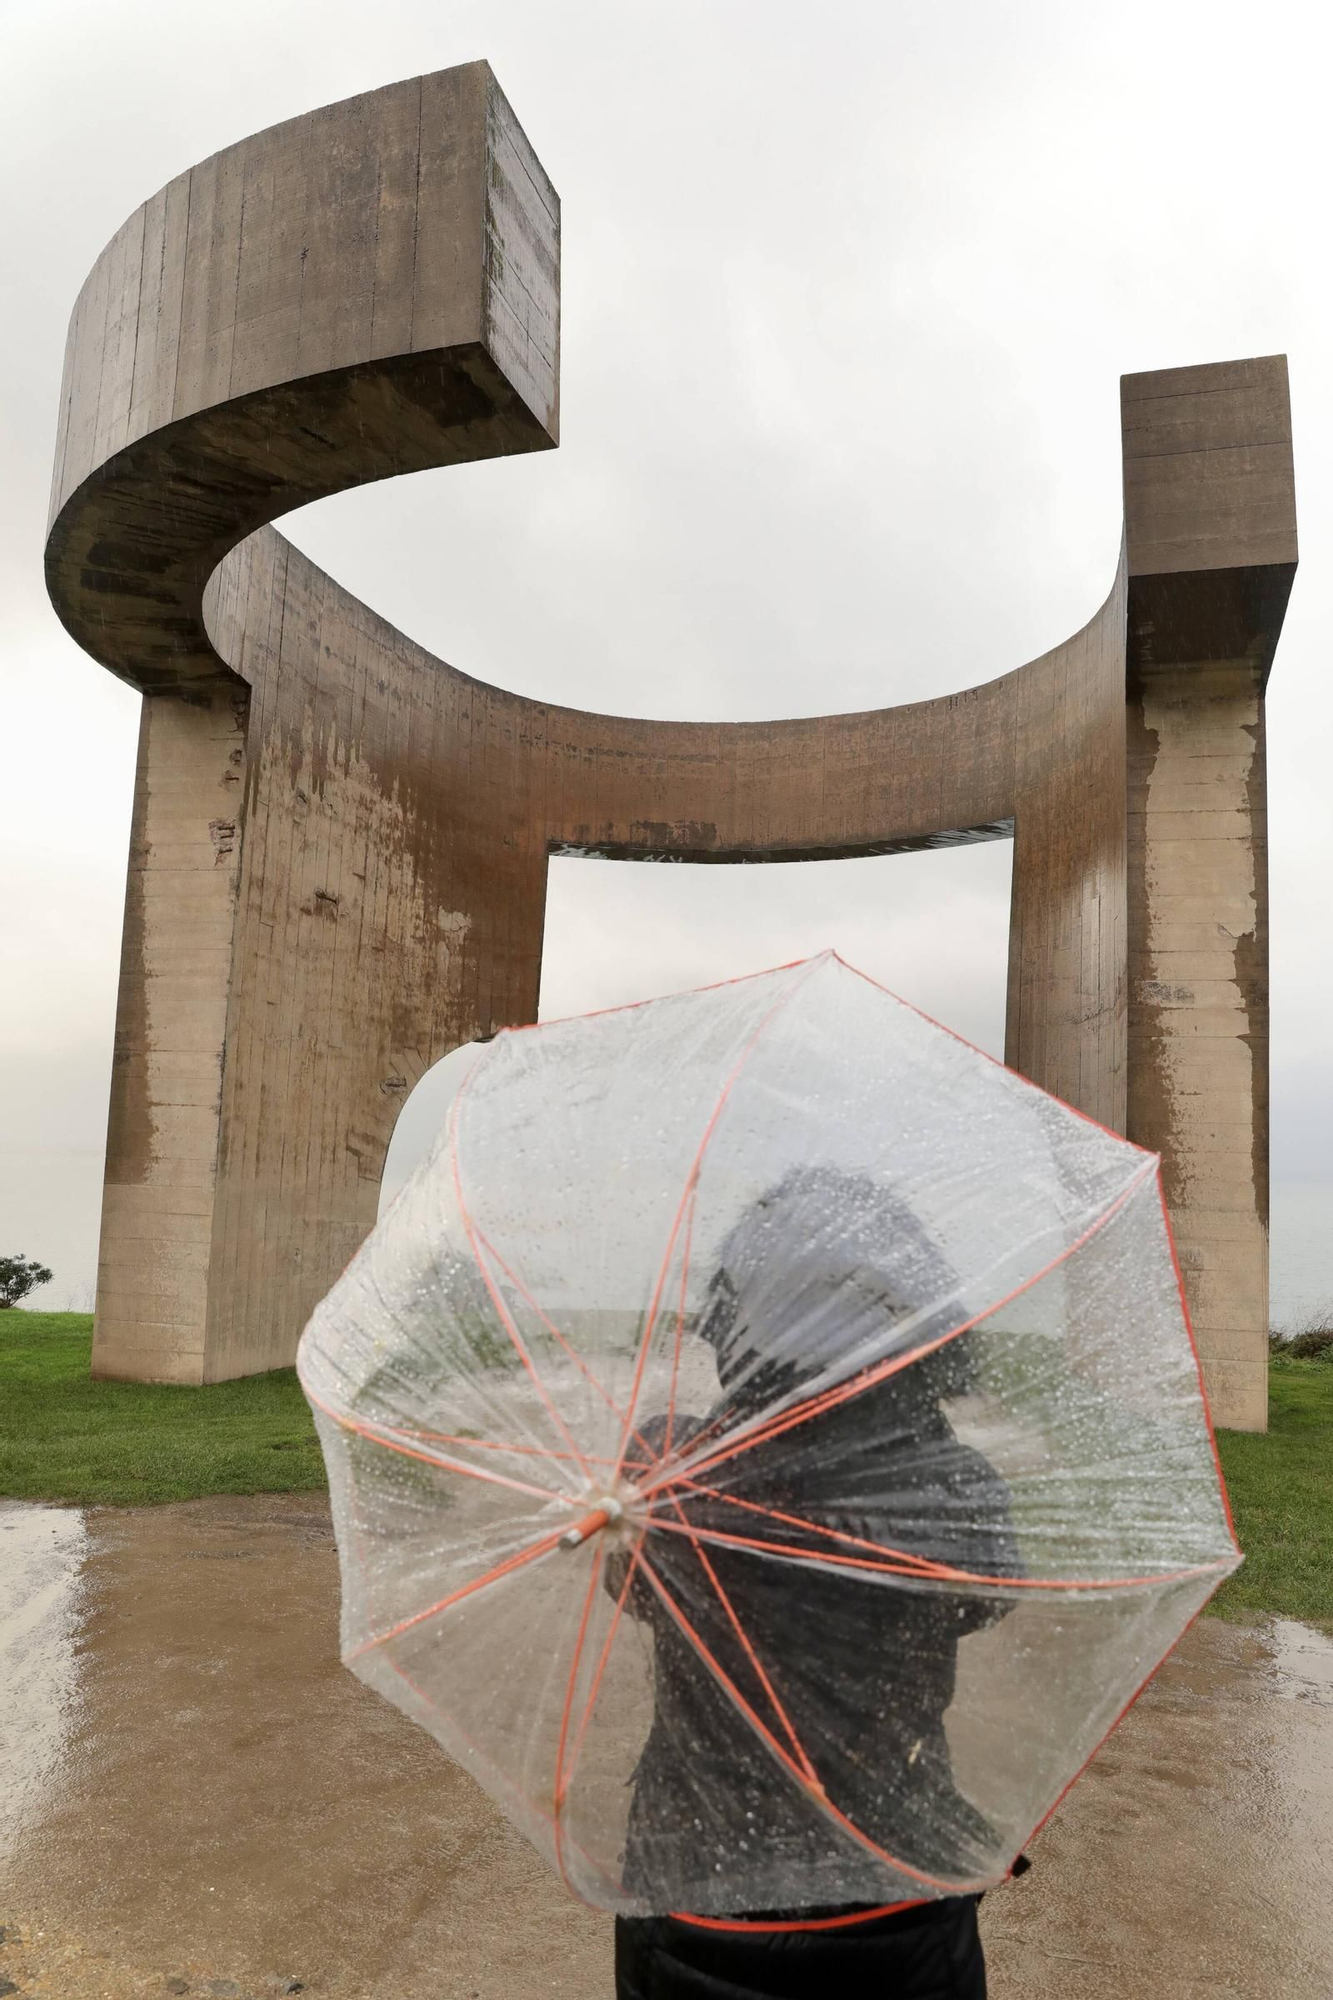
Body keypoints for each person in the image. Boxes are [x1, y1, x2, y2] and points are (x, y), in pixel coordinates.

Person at [611, 1167, 1022, 2000]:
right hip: (891, 1871)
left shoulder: (665, 1468)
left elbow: (634, 1589)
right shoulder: (955, 1485)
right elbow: (987, 1599)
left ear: (733, 1321)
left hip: (692, 1872)